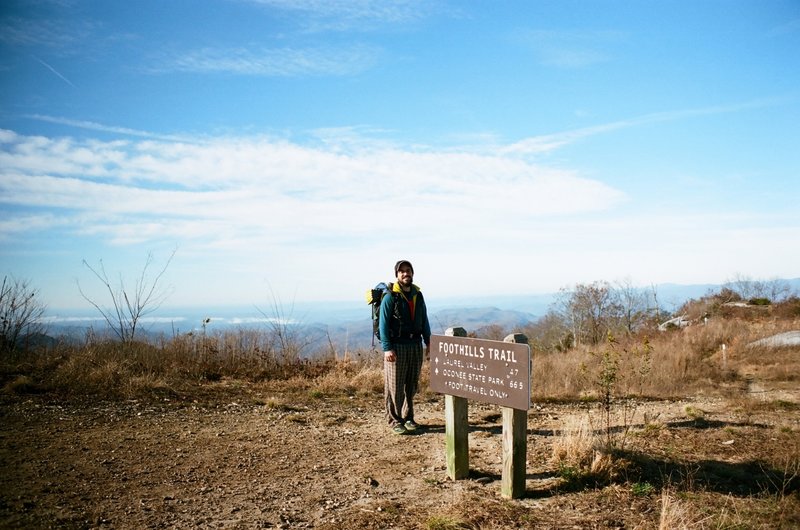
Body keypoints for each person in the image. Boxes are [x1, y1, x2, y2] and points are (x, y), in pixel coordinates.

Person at [379, 259, 431, 435]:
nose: (405, 273)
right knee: (394, 384)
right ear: (397, 275)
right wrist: (387, 348)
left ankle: (408, 417)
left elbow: (424, 320)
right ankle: (394, 419)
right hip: (397, 346)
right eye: (402, 271)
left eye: (408, 270)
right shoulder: (390, 297)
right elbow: (383, 325)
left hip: (415, 345)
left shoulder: (418, 294)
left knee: (411, 384)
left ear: (412, 273)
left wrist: (428, 341)